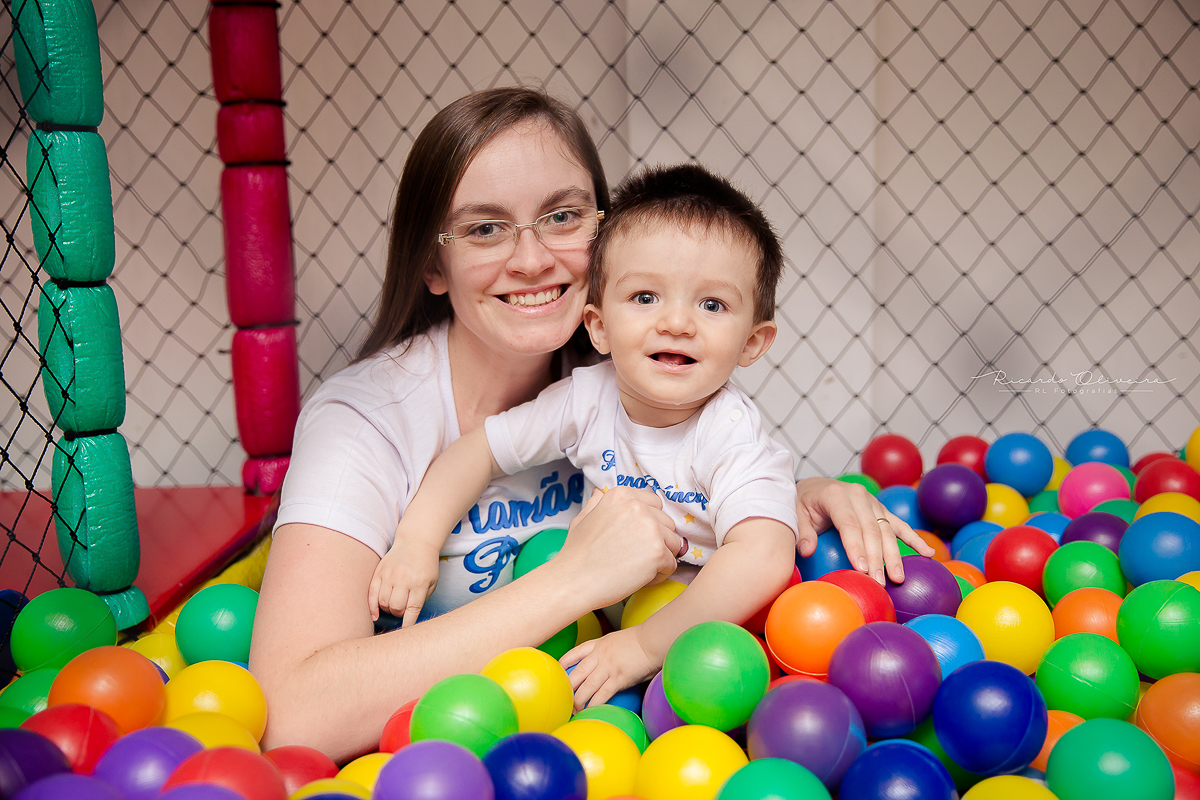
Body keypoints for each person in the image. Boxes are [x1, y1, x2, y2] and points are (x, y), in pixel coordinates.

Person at [250, 86, 932, 762]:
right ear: (433, 261)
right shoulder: (366, 420)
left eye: (563, 216)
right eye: (486, 228)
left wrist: (798, 495)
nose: (532, 259)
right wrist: (575, 578)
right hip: (462, 747)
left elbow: (703, 471)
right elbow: (292, 717)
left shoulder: (633, 365)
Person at [369, 162, 802, 708]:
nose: (676, 323)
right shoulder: (586, 399)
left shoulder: (730, 434)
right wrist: (416, 543)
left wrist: (643, 646)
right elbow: (479, 452)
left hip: (707, 645)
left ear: (752, 343)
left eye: (711, 304)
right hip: (605, 629)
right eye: (645, 297)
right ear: (598, 327)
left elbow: (762, 558)